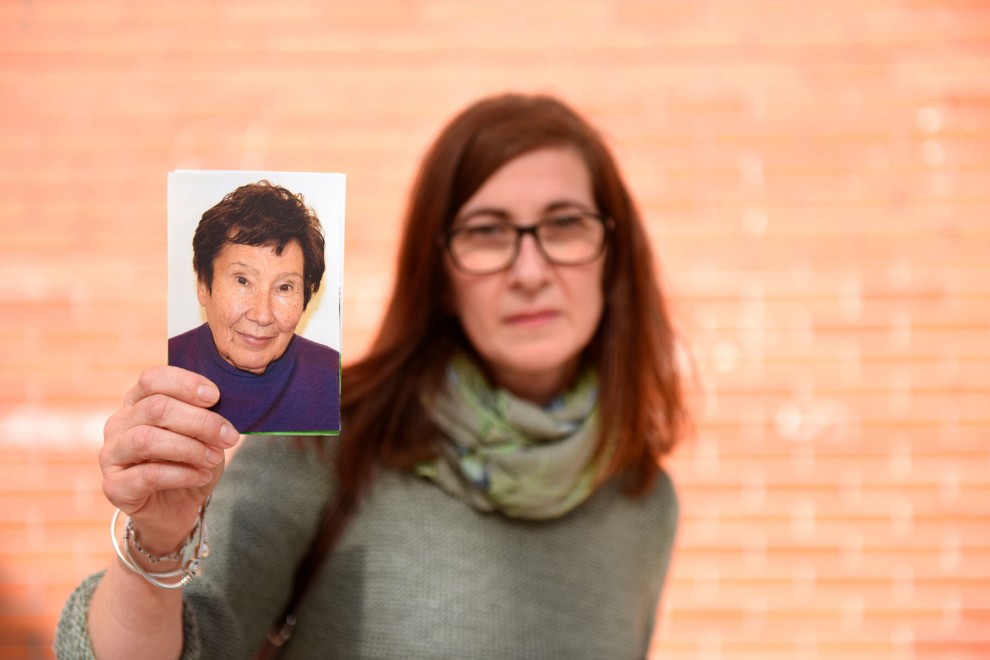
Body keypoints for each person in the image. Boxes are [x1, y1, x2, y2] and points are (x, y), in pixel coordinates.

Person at [55, 92, 688, 659]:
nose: (529, 270)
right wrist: (157, 542)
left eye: (565, 224)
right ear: (438, 270)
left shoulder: (643, 502)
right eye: (488, 231)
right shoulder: (323, 443)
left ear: (613, 254)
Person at [168, 180, 340, 434]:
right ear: (204, 285)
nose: (262, 315)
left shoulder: (335, 379)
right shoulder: (166, 367)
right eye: (243, 281)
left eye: (284, 287)